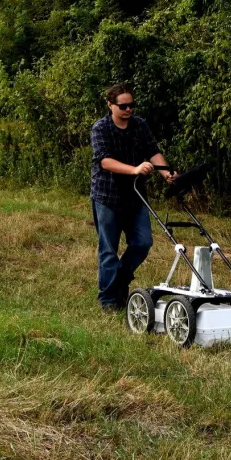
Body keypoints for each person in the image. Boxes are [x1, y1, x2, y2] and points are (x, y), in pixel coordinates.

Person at [90, 83, 176, 312]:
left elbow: (152, 150)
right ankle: (109, 301)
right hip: (107, 196)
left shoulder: (139, 125)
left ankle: (120, 279)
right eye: (123, 106)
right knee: (108, 250)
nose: (128, 109)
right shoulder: (101, 128)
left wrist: (166, 171)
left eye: (131, 105)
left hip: (136, 197)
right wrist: (134, 169)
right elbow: (104, 161)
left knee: (143, 242)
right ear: (110, 105)